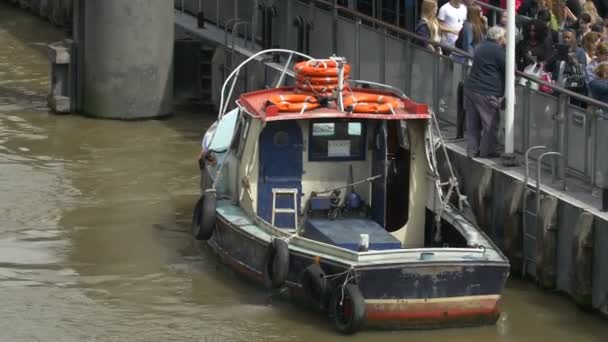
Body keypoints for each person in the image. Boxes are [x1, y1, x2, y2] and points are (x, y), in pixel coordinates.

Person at [463, 26, 506, 158]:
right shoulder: (498, 50)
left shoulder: (481, 46)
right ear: (499, 38)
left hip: (471, 88)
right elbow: (508, 68)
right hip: (486, 91)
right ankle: (487, 151)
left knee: (473, 123)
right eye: (504, 37)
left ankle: (472, 150)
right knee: (490, 123)